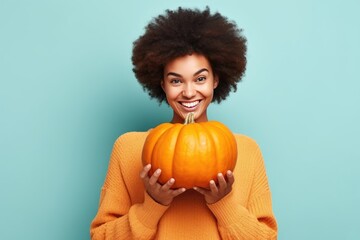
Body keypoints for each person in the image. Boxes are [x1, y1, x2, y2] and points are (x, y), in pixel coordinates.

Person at [90, 7, 277, 240]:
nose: (189, 92)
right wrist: (153, 204)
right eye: (176, 80)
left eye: (200, 78)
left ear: (216, 79)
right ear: (162, 84)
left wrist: (223, 203)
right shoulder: (128, 148)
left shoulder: (247, 150)